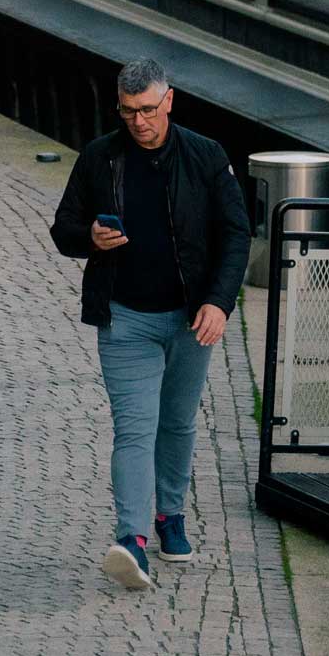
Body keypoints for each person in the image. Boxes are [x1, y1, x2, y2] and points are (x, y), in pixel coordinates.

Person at [48, 57, 249, 593]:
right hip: (125, 319)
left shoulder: (206, 156)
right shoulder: (100, 156)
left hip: (190, 320)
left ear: (169, 101)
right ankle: (132, 539)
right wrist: (89, 237)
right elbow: (63, 228)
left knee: (177, 422)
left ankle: (170, 516)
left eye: (148, 110)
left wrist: (219, 303)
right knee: (135, 428)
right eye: (128, 111)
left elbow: (237, 234)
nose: (139, 121)